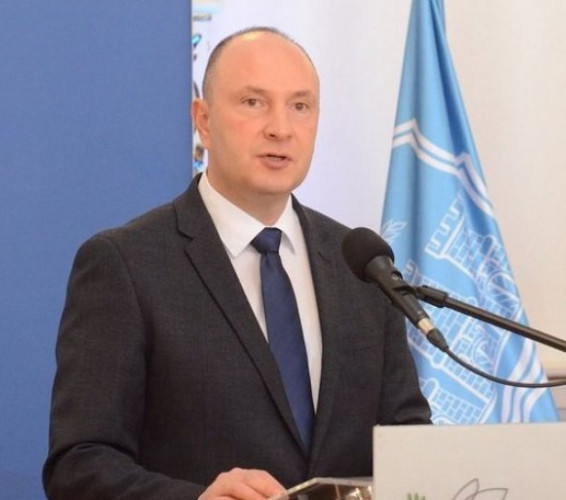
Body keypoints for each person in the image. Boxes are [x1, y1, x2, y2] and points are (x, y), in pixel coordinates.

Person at [43, 27, 431, 500]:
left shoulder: (362, 264)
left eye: (300, 106)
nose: (280, 128)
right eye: (253, 102)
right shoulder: (125, 264)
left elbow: (409, 441)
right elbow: (79, 465)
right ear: (203, 121)